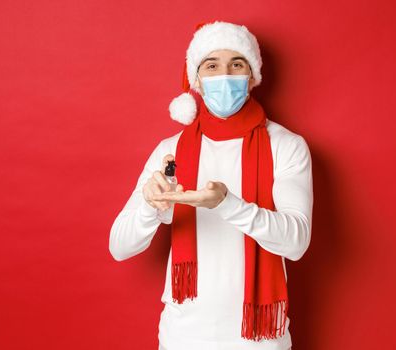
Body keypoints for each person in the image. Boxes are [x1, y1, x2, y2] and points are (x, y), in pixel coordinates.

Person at [109, 20, 313, 350]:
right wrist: (150, 206)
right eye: (212, 65)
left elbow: (297, 241)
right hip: (183, 336)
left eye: (237, 64)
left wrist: (226, 204)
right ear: (197, 80)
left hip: (260, 339)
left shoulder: (286, 146)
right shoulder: (170, 151)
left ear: (252, 77)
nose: (225, 75)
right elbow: (119, 246)